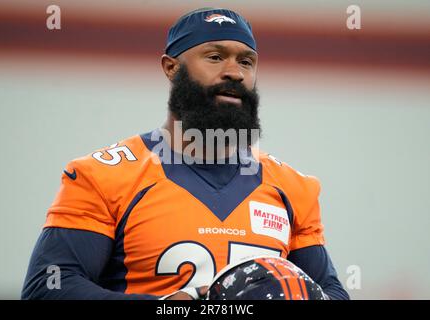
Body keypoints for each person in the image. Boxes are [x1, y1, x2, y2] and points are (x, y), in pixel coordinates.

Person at [22, 7, 349, 300]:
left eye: (246, 61)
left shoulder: (292, 188)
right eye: (215, 57)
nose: (234, 72)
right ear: (171, 67)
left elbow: (331, 292)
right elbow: (48, 287)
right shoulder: (103, 175)